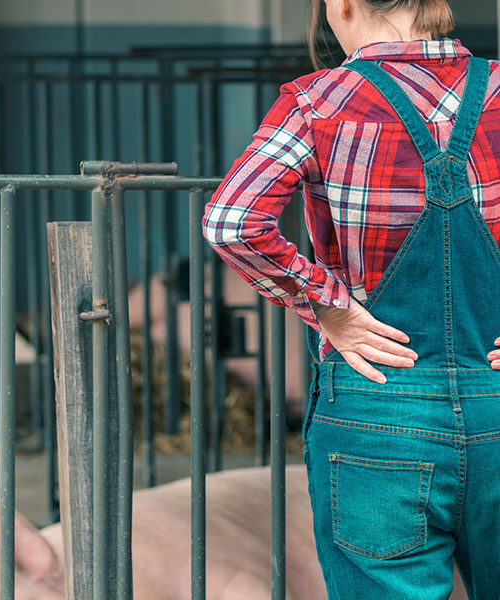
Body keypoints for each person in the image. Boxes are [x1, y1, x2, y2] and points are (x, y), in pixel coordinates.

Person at [201, 0, 500, 596]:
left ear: (341, 5)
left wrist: (326, 305)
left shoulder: (318, 100)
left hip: (377, 408)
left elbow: (232, 222)